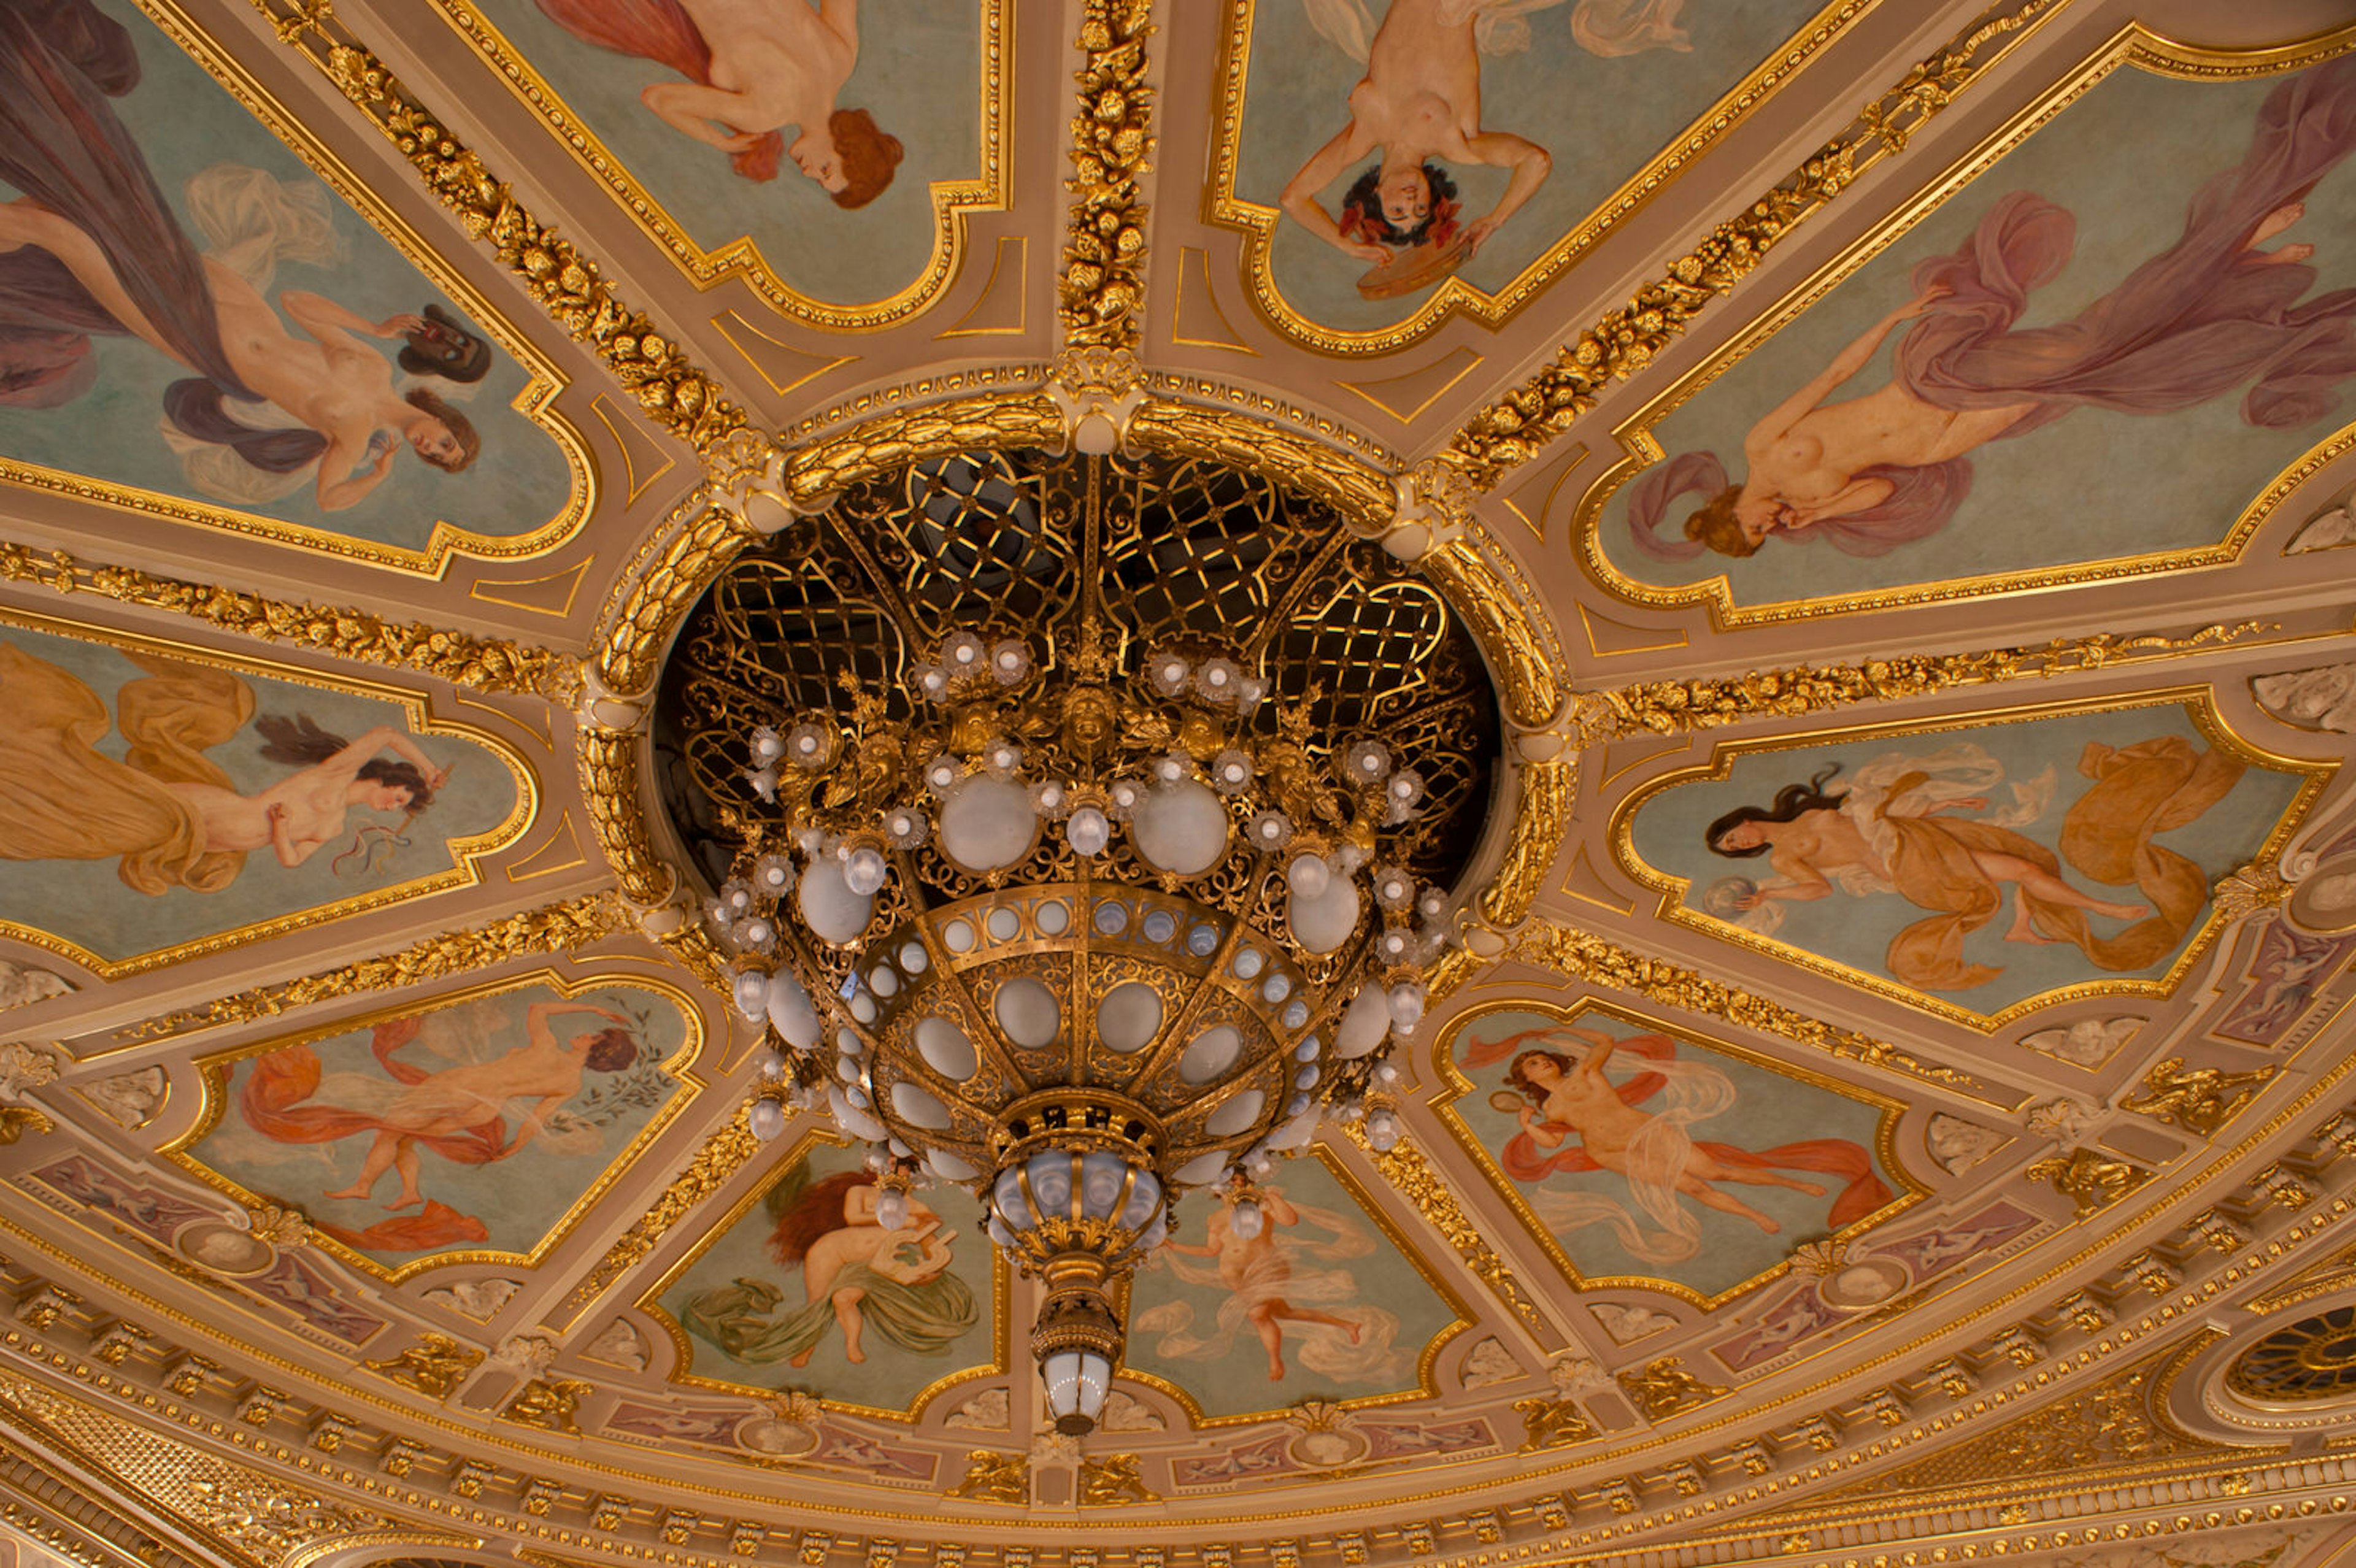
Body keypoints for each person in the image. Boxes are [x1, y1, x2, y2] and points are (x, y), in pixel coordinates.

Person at [1630, 55, 2356, 561]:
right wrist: (1817, 512)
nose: (1769, 529)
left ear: (1732, 513)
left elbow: (1829, 377)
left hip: (1932, 382)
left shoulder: (1762, 448)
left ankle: (2229, 245)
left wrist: (1892, 320)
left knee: (2087, 340)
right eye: (1764, 539)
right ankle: (2231, 271)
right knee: (2106, 366)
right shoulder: (1807, 506)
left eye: (1754, 531)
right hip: (1942, 440)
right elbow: (1881, 484)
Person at [0, 0, 487, 510]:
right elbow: (298, 303)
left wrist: (378, 475)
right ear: (447, 419)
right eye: (447, 442)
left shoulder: (355, 436)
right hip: (235, 301)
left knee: (60, 235)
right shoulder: (372, 366)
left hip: (204, 345)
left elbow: (330, 501)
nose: (433, 447)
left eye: (437, 458)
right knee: (93, 211)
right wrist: (375, 328)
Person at [1704, 737, 2247, 991]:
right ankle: (2089, 910)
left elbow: (1882, 808)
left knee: (2025, 866)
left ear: (1742, 819)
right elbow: (1819, 891)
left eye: (1731, 834)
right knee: (2018, 870)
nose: (1738, 841)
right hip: (1910, 867)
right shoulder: (1788, 854)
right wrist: (1771, 894)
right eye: (1733, 848)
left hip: (1918, 839)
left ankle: (2022, 924)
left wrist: (1944, 804)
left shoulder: (1808, 810)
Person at [0, 641, 444, 896]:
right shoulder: (336, 774)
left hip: (199, 837)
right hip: (207, 807)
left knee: (88, 829)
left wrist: (279, 829)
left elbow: (290, 861)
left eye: (399, 806)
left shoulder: (332, 828)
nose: (392, 806)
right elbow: (387, 732)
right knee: (97, 807)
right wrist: (427, 767)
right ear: (385, 779)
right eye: (399, 796)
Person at [234, 1002, 643, 1249]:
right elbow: (536, 1119)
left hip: (459, 1088)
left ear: (598, 1046)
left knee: (390, 1130)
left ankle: (363, 1184)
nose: (586, 1034)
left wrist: (592, 1008)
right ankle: (410, 1191)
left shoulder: (547, 1048)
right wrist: (515, 1148)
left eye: (594, 1035)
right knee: (407, 1138)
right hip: (482, 1110)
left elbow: (539, 1010)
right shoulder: (568, 1083)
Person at [1495, 1028, 1887, 1250]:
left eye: (1543, 1057)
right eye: (1532, 1063)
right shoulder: (1552, 1111)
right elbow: (1551, 1144)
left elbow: (1605, 1043)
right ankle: (1755, 1215)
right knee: (1693, 1188)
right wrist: (1528, 1123)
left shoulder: (1585, 1074)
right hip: (1612, 1152)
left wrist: (1559, 1030)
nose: (1541, 1062)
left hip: (1644, 1130)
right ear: (1526, 1079)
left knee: (1716, 1173)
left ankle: (1792, 1182)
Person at [533, 0, 902, 202]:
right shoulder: (765, 112)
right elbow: (659, 98)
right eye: (826, 170)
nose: (808, 173)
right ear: (847, 146)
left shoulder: (843, 58)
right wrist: (717, 140)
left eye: (818, 181)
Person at [1281, 0, 1552, 263]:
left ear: (1375, 195)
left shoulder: (1364, 134)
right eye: (1421, 208)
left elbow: (1294, 199)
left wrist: (1347, 246)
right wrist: (1495, 219)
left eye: (1398, 211)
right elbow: (1535, 161)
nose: (1411, 201)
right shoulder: (1455, 143)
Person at [681, 1169, 977, 1368]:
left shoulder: (919, 1207)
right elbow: (853, 1217)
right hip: (831, 1249)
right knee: (816, 1303)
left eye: (905, 1169)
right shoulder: (859, 1192)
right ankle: (805, 1345)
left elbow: (931, 1243)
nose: (899, 1170)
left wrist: (933, 1267)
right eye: (894, 1166)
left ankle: (852, 1344)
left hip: (871, 1262)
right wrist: (905, 1221)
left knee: (843, 1299)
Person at [1162, 1190, 1365, 1382]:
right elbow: (1211, 1250)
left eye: (1241, 1182)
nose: (1235, 1188)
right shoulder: (1214, 1218)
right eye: (1230, 1186)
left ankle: (1275, 1362)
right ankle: (1347, 1325)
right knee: (1284, 1313)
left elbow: (1290, 1220)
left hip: (1265, 1267)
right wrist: (1174, 1246)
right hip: (1238, 1278)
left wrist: (1273, 1197)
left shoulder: (1262, 1208)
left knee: (1257, 1315)